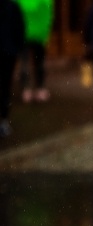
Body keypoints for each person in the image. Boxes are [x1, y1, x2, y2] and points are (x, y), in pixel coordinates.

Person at [17, 0, 53, 103]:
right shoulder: (45, 2)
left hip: (25, 36)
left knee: (25, 64)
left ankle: (26, 89)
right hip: (38, 37)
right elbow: (48, 18)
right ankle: (39, 88)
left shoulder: (22, 2)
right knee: (39, 64)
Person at [0, 0, 26, 138]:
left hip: (8, 52)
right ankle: (3, 120)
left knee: (5, 87)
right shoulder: (13, 6)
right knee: (5, 87)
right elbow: (19, 29)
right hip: (8, 52)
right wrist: (17, 48)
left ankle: (3, 120)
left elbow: (19, 28)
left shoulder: (13, 6)